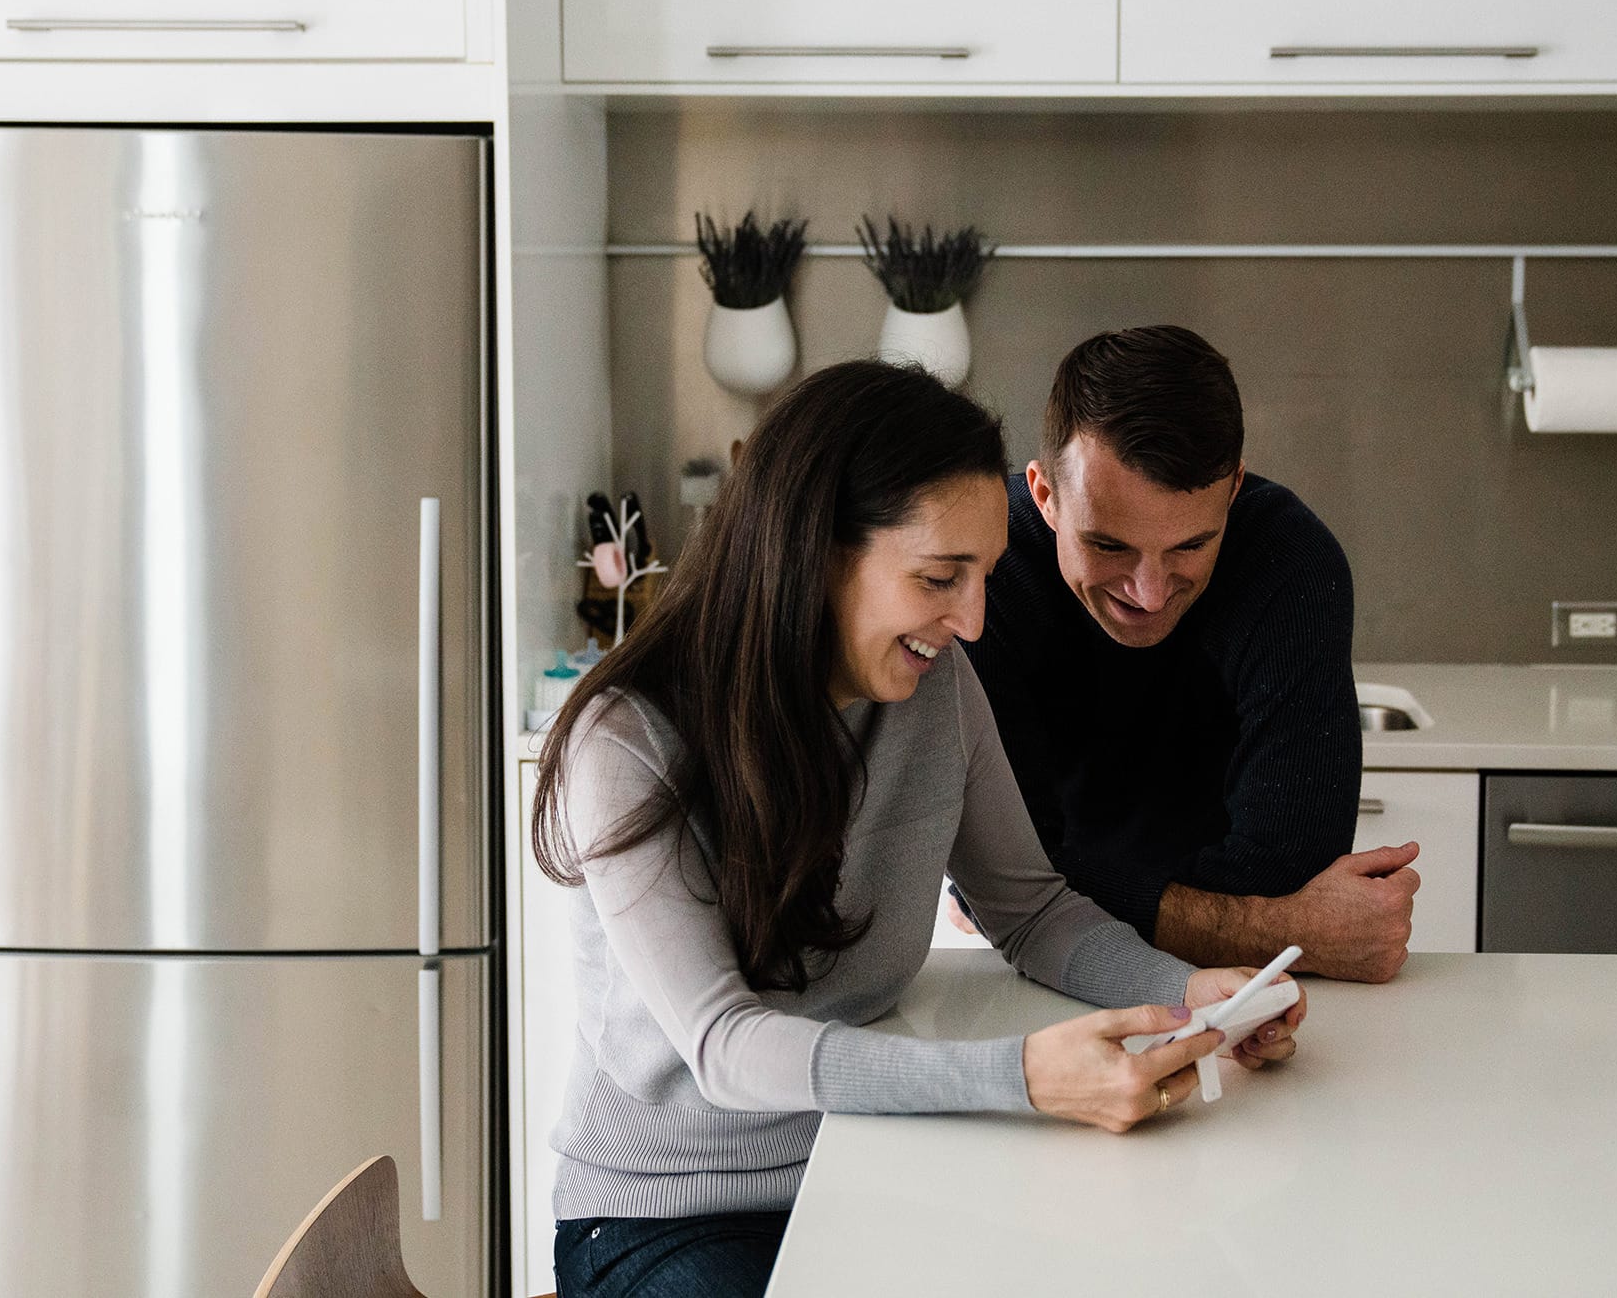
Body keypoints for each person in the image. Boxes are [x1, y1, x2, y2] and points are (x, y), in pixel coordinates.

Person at [532, 359, 1306, 1298]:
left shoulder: (932, 686)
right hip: (668, 1211)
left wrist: (1192, 997)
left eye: (983, 576)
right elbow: (727, 1046)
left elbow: (1032, 910)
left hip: (873, 1161)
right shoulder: (630, 740)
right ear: (815, 551)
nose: (972, 621)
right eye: (941, 577)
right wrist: (1022, 1076)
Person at [962, 326, 1419, 983]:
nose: (1148, 594)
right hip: (1029, 973)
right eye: (1109, 546)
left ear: (1232, 490)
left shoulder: (1290, 562)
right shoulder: (986, 566)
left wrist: (1050, 890)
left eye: (1188, 547)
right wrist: (1284, 927)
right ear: (1044, 495)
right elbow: (1010, 893)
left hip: (1246, 991)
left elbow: (1290, 869)